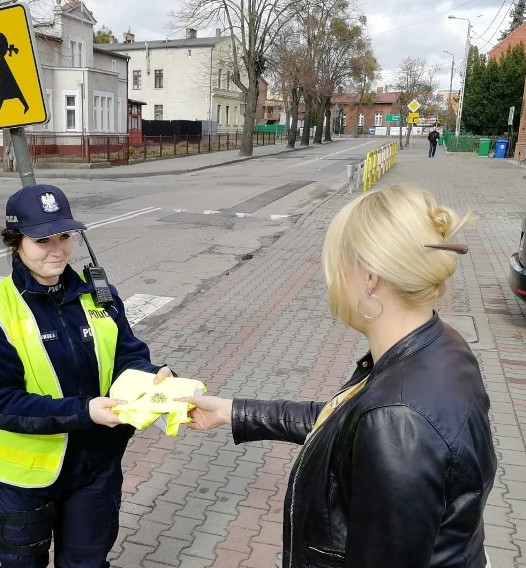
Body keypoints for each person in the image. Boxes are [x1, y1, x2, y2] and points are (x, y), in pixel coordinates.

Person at [177, 185, 497, 567]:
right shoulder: (439, 344)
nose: (330, 282)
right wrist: (231, 411)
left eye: (336, 266)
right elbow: (345, 424)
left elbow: (379, 427)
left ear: (370, 278)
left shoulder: (397, 417)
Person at [0, 183, 171, 568]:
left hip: (96, 467)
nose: (57, 250)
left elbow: (127, 354)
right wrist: (85, 411)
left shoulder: (100, 295)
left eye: (65, 236)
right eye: (42, 239)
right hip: (25, 478)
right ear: (16, 242)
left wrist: (152, 377)